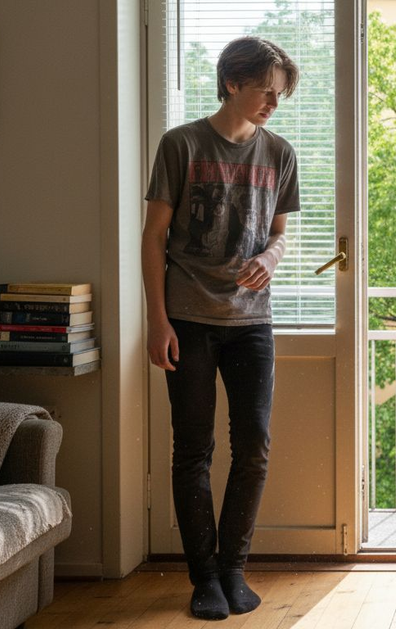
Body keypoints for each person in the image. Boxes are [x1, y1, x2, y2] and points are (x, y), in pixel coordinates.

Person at [141, 36, 300, 620]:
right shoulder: (181, 144)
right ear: (232, 82)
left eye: (279, 95)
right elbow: (152, 236)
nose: (273, 104)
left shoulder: (279, 153)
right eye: (265, 91)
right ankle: (203, 577)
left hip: (252, 323)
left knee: (253, 448)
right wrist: (157, 321)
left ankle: (234, 569)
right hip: (187, 318)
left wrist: (272, 258)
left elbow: (281, 232)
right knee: (193, 451)